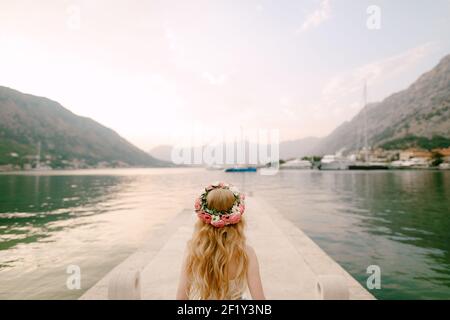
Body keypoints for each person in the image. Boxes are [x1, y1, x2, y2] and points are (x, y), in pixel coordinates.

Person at [176, 182, 265, 300]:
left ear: (204, 217)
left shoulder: (193, 250)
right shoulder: (246, 252)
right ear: (237, 217)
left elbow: (181, 298)